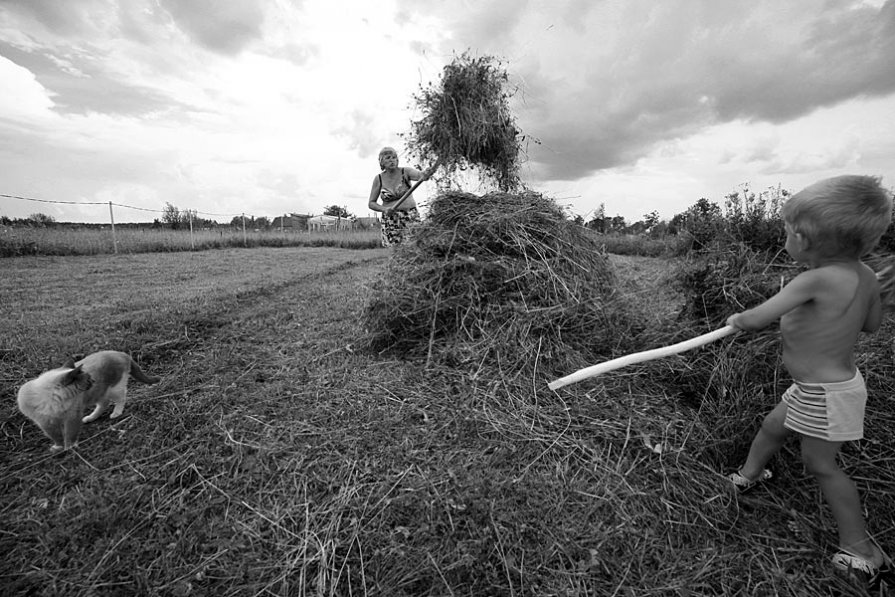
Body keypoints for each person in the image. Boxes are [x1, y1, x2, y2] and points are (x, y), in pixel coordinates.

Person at [725, 175, 893, 588]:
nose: (784, 236)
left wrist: (738, 320)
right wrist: (874, 296)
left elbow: (757, 319)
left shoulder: (813, 279)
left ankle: (861, 548)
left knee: (820, 464)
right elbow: (872, 326)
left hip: (825, 394)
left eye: (785, 230)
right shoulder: (866, 277)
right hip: (824, 387)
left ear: (801, 238)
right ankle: (749, 474)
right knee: (773, 425)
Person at [368, 146, 436, 247]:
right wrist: (385, 209)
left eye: (394, 157)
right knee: (395, 250)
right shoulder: (379, 179)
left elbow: (420, 176)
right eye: (388, 158)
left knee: (415, 246)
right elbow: (371, 203)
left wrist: (427, 173)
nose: (392, 160)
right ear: (382, 162)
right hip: (391, 220)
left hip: (410, 217)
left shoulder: (406, 172)